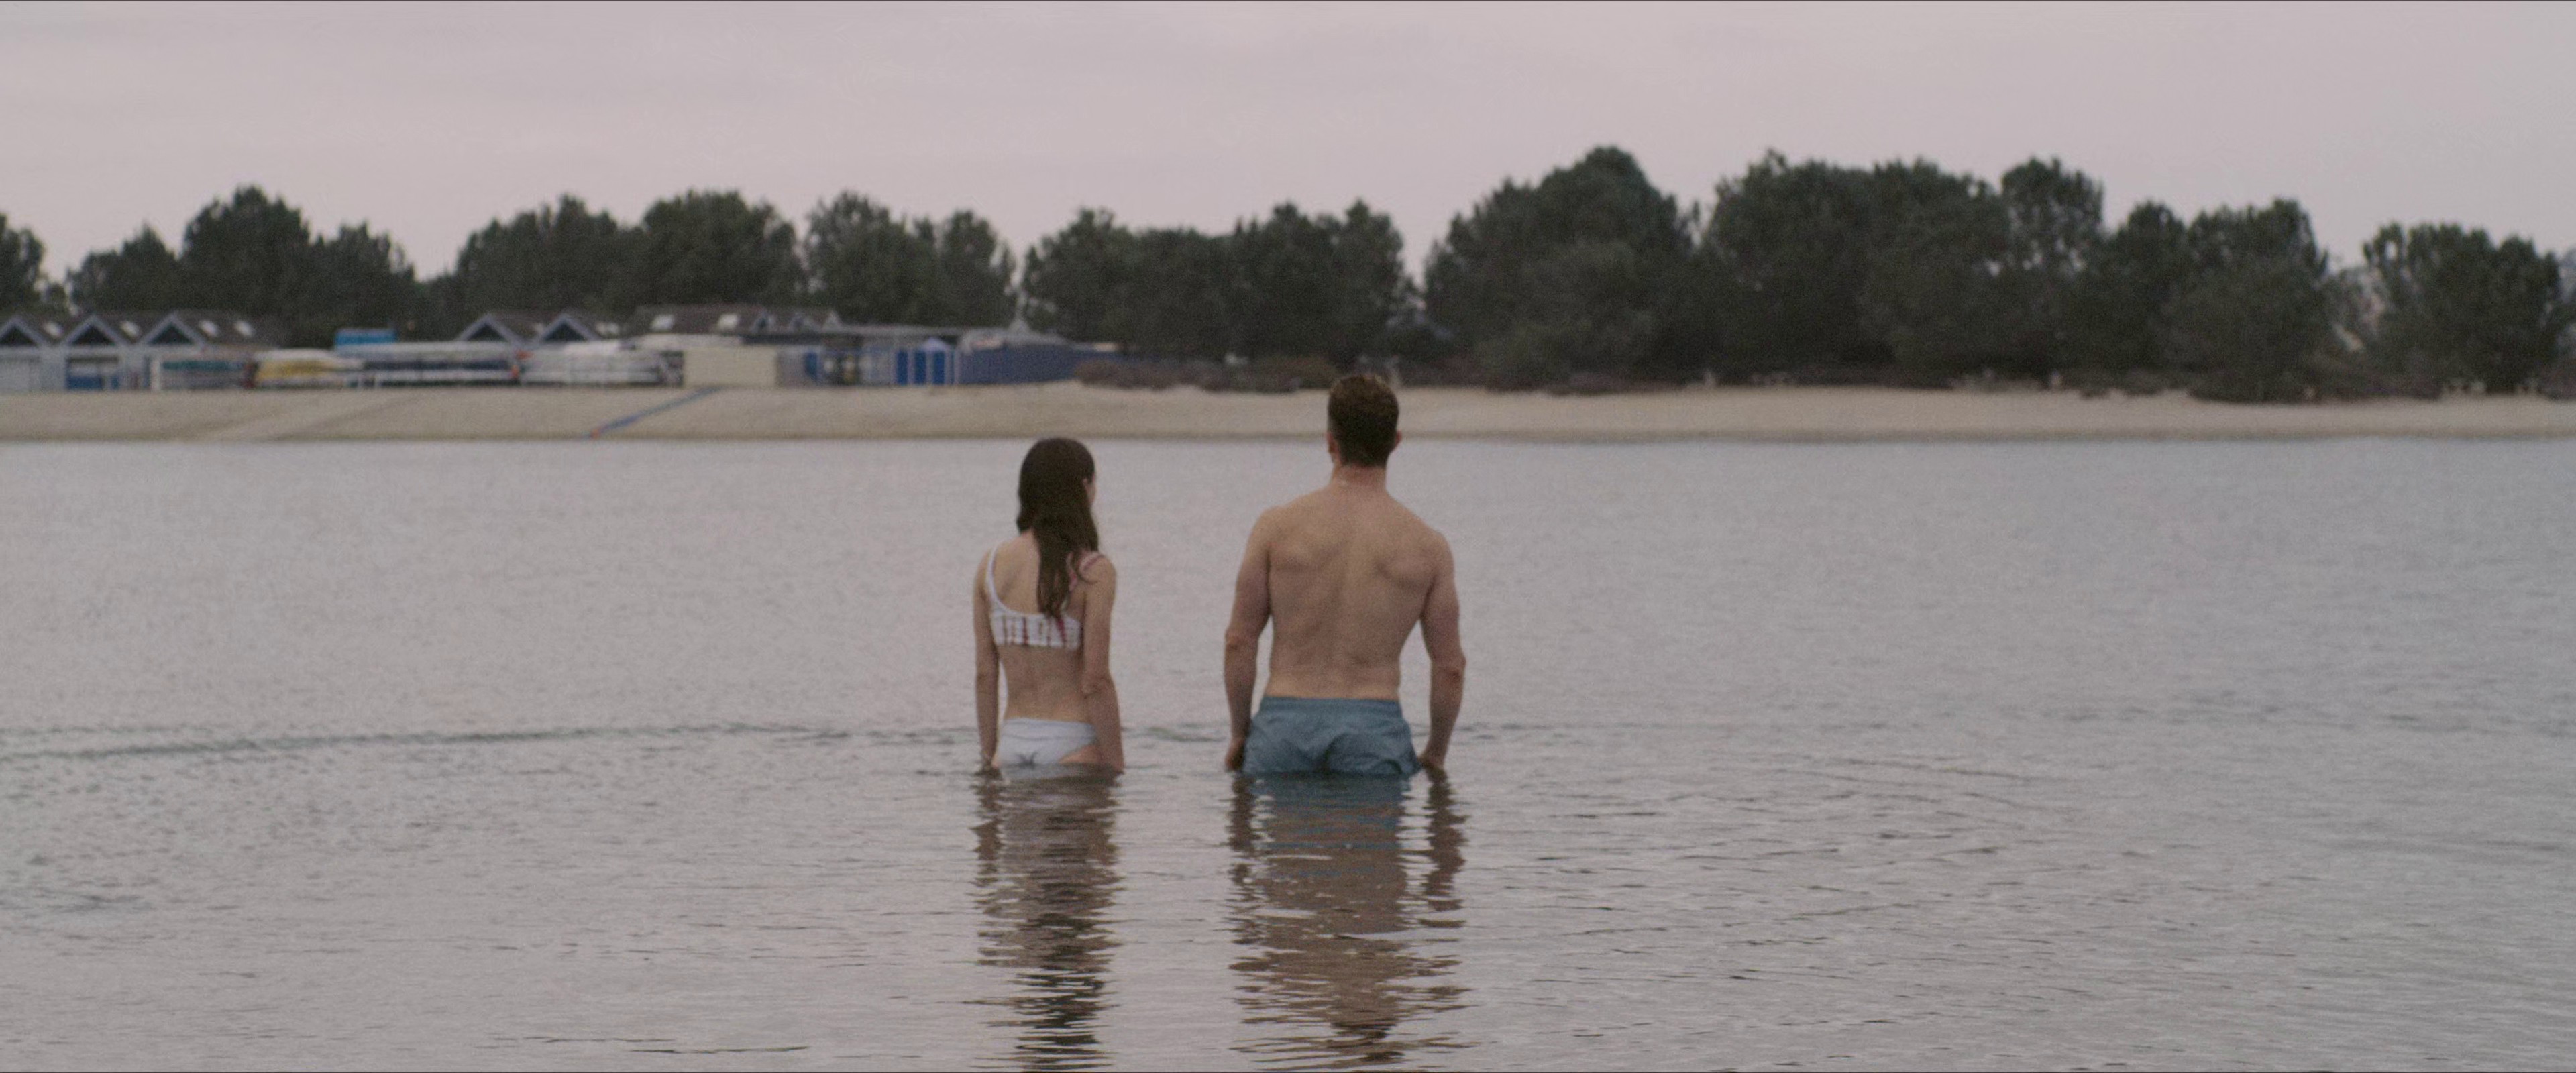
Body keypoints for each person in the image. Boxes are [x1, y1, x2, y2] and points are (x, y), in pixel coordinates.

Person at [1224, 374, 1464, 777]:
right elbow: (1450, 666)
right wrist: (1436, 753)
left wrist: (1239, 733)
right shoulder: (1428, 546)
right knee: (1370, 839)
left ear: (1330, 442)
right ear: (1396, 442)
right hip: (1373, 727)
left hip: (1284, 726)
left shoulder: (1276, 528)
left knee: (1279, 840)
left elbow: (1239, 641)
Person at [975, 437, 1124, 772]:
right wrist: (1116, 766)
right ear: (1084, 487)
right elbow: (1096, 680)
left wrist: (989, 758)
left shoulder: (991, 565)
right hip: (1073, 742)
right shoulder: (1094, 571)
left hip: (1011, 743)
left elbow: (985, 674)